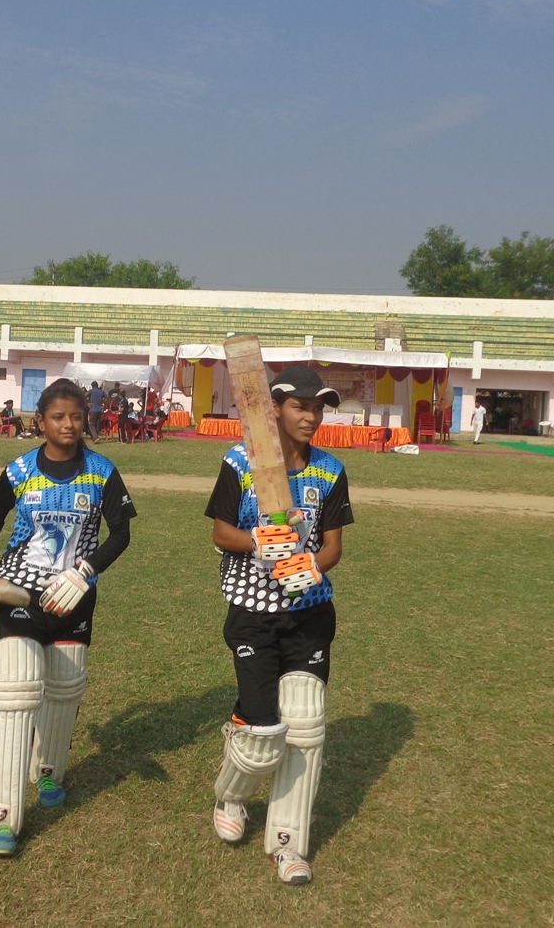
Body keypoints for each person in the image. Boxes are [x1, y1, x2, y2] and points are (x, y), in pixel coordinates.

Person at [0, 378, 138, 858]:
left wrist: (86, 572)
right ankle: (2, 817)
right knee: (13, 685)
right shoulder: (20, 468)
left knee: (63, 691)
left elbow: (120, 534)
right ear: (40, 422)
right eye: (57, 417)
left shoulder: (101, 471)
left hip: (73, 598)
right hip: (19, 592)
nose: (68, 425)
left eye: (76, 417)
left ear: (87, 419)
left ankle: (50, 774)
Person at [204, 365, 354, 886]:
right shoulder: (241, 463)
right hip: (252, 612)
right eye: (300, 406)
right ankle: (233, 793)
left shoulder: (330, 470)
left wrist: (311, 566)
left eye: (318, 407)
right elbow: (222, 532)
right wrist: (258, 543)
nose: (311, 416)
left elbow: (332, 545)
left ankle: (288, 843)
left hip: (310, 610)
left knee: (306, 724)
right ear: (275, 410)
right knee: (263, 727)